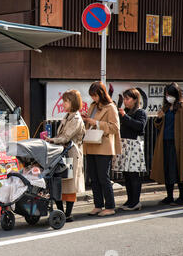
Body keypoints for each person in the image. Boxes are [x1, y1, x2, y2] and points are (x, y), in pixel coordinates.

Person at [82, 81, 121, 217]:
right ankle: (98, 205)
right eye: (92, 96)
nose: (93, 98)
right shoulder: (93, 106)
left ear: (101, 94)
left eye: (95, 95)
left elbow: (115, 128)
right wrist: (86, 119)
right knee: (94, 177)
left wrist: (97, 123)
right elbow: (92, 123)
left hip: (103, 146)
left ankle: (110, 206)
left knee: (103, 177)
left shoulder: (111, 107)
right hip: (91, 143)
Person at [46, 90, 86, 222]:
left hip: (71, 153)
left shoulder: (76, 118)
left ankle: (67, 214)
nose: (63, 103)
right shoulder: (68, 116)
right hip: (63, 152)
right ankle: (61, 212)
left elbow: (66, 137)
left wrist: (51, 140)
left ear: (73, 102)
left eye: (66, 101)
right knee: (60, 181)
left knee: (69, 183)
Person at [150, 82, 183, 205]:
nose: (168, 97)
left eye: (170, 94)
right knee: (167, 169)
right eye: (166, 94)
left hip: (179, 143)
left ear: (177, 94)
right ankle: (169, 196)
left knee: (179, 169)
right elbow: (158, 125)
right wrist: (159, 118)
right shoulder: (165, 108)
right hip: (165, 142)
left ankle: (182, 197)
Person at [112, 88, 147, 211]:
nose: (125, 101)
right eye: (125, 98)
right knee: (126, 174)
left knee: (133, 175)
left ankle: (136, 201)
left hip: (134, 146)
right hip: (125, 144)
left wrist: (125, 116)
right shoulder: (125, 111)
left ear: (135, 99)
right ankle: (130, 200)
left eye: (128, 98)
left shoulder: (140, 112)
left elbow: (140, 126)